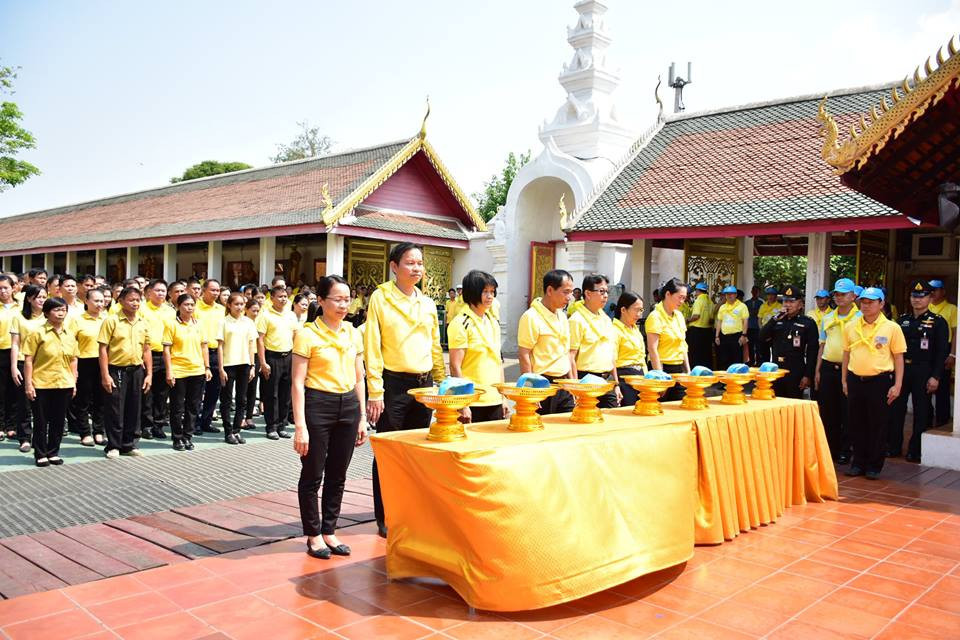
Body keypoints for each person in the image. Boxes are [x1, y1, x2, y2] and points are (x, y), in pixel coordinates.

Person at [365, 242, 445, 538]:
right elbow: (372, 345)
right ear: (394, 267)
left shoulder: (426, 303)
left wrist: (441, 382)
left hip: (423, 385)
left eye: (420, 263)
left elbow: (435, 345)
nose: (416, 268)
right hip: (393, 384)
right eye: (410, 263)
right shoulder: (380, 298)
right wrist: (375, 390)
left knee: (415, 451)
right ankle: (384, 515)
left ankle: (409, 512)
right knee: (388, 452)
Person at [292, 275, 367, 559]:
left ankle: (329, 531)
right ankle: (313, 535)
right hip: (317, 405)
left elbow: (359, 377)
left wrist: (361, 416)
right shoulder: (307, 333)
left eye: (347, 299)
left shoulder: (352, 331)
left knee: (338, 474)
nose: (343, 305)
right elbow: (297, 383)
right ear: (320, 301)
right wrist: (301, 427)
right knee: (313, 473)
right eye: (337, 299)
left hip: (348, 405)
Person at [842, 287, 905, 479]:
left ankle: (874, 465)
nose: (866, 305)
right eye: (863, 302)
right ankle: (858, 462)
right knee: (856, 422)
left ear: (881, 304)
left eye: (871, 302)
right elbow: (846, 354)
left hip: (879, 381)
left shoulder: (892, 328)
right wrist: (844, 380)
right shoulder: (851, 326)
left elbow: (899, 357)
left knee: (877, 424)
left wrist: (898, 384)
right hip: (855, 379)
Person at [888, 280, 948, 462]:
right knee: (896, 409)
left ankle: (916, 449)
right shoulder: (902, 320)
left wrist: (935, 376)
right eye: (914, 296)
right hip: (902, 370)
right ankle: (894, 447)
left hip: (923, 370)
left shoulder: (938, 322)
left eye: (922, 297)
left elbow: (941, 352)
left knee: (921, 411)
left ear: (930, 298)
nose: (917, 300)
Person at [22, 297, 78, 467]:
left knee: (59, 420)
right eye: (56, 309)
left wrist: (73, 381)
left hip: (64, 383)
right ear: (46, 313)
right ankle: (40, 453)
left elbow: (74, 359)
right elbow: (29, 360)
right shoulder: (37, 333)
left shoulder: (70, 334)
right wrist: (28, 384)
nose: (60, 313)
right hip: (42, 383)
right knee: (41, 420)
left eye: (63, 309)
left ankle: (53, 452)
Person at [448, 270, 508, 423]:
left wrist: (503, 397)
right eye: (485, 292)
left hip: (494, 398)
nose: (490, 297)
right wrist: (463, 403)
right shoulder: (460, 323)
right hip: (473, 401)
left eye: (492, 292)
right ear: (473, 293)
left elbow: (498, 362)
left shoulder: (493, 321)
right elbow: (455, 367)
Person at [98, 286, 151, 458]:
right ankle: (113, 445)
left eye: (138, 300)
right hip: (116, 369)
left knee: (134, 407)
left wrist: (149, 374)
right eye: (131, 300)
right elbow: (103, 349)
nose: (135, 303)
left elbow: (146, 349)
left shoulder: (143, 322)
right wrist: (105, 374)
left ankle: (129, 444)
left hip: (136, 370)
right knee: (115, 408)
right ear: (120, 301)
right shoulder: (111, 321)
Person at [517, 269, 576, 415]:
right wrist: (530, 390)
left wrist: (573, 384)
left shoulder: (562, 316)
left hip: (563, 384)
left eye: (571, 292)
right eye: (566, 292)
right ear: (550, 290)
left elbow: (566, 353)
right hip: (542, 383)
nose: (569, 297)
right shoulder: (531, 317)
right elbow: (524, 354)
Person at [815, 278, 860, 463]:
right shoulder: (827, 318)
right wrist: (817, 370)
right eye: (837, 294)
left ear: (853, 296)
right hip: (827, 368)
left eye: (844, 294)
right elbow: (822, 345)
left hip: (849, 369)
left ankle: (845, 449)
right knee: (828, 410)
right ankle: (830, 449)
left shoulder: (860, 318)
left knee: (847, 411)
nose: (839, 298)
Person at [164, 293, 210, 451]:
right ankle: (177, 438)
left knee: (193, 405)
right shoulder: (171, 324)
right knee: (177, 407)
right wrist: (169, 371)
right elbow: (167, 349)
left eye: (192, 305)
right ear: (178, 306)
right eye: (186, 305)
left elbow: (204, 347)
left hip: (197, 370)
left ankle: (187, 436)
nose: (190, 308)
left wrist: (207, 367)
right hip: (179, 370)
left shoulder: (199, 324)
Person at [568, 273, 621, 408]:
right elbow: (571, 356)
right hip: (586, 380)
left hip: (606, 381)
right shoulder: (576, 320)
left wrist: (616, 384)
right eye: (601, 291)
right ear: (588, 293)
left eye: (607, 292)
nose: (605, 296)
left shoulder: (607, 319)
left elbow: (611, 355)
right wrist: (576, 389)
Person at [758, 285, 818, 399]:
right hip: (776, 370)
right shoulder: (777, 320)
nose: (787, 304)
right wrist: (774, 319)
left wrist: (808, 375)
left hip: (795, 371)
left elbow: (812, 352)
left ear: (800, 304)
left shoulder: (807, 323)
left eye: (792, 301)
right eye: (785, 301)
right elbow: (761, 337)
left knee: (793, 406)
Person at [257, 285, 299, 440]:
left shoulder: (291, 315)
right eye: (280, 296)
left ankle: (282, 425)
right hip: (272, 357)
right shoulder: (265, 315)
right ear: (272, 298)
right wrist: (262, 362)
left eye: (285, 296)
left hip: (288, 356)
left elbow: (295, 335)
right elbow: (260, 340)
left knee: (285, 394)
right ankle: (271, 427)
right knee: (271, 394)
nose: (283, 299)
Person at [10, 285, 47, 453]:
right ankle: (24, 437)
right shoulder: (19, 318)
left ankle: (42, 436)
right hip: (23, 363)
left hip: (45, 364)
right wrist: (13, 366)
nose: (42, 300)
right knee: (24, 402)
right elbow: (15, 344)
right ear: (30, 299)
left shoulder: (50, 317)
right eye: (38, 297)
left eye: (44, 297)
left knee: (42, 403)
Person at [218, 292, 257, 444]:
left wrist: (253, 365)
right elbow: (220, 346)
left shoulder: (248, 322)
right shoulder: (224, 322)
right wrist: (220, 368)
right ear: (229, 305)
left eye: (242, 304)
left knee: (242, 399)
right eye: (236, 304)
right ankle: (228, 432)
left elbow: (251, 345)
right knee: (227, 399)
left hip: (244, 364)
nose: (240, 307)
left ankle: (236, 430)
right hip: (228, 364)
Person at [69, 287, 106, 446]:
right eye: (96, 301)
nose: (99, 304)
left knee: (102, 398)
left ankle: (99, 431)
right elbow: (71, 343)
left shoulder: (107, 318)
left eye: (102, 301)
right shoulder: (77, 320)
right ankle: (85, 432)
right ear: (86, 301)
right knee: (83, 400)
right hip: (84, 362)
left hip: (104, 362)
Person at [645, 278, 690, 401]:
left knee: (679, 407)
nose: (682, 301)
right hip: (662, 367)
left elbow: (683, 346)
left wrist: (688, 372)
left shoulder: (679, 316)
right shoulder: (655, 317)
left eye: (684, 298)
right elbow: (652, 349)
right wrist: (660, 377)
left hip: (678, 368)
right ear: (668, 294)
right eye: (680, 297)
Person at [140, 279, 173, 440]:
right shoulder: (141, 309)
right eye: (157, 290)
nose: (161, 293)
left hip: (166, 355)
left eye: (163, 291)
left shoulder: (170, 311)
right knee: (147, 392)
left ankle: (158, 425)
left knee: (162, 392)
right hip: (147, 355)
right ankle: (146, 425)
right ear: (149, 292)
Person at [195, 279, 225, 436]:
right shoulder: (195, 308)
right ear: (203, 290)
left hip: (217, 352)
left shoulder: (221, 309)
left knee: (214, 390)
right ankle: (195, 422)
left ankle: (206, 421)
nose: (215, 293)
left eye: (217, 290)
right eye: (212, 290)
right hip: (199, 352)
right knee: (198, 391)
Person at [928, 279, 957, 428]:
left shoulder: (952, 309)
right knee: (925, 385)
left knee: (942, 385)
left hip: (945, 349)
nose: (932, 292)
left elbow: (955, 332)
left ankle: (942, 418)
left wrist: (952, 354)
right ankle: (927, 417)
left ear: (943, 291)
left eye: (936, 289)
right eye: (930, 290)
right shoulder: (926, 306)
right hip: (927, 349)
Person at [612, 291, 647, 407]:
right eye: (636, 309)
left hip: (640, 377)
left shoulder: (636, 330)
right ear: (623, 310)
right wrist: (616, 385)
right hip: (624, 377)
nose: (639, 314)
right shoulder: (614, 330)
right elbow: (612, 360)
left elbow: (642, 357)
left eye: (641, 310)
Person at [0, 275, 20, 442]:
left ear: (14, 288)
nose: (3, 291)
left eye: (5, 287)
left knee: (14, 390)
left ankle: (11, 425)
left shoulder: (21, 307)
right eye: (0, 288)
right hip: (0, 351)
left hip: (17, 352)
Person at [714, 285, 749, 370]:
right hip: (724, 336)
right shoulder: (722, 307)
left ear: (736, 295)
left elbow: (745, 321)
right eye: (727, 294)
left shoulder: (742, 306)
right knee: (724, 359)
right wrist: (717, 336)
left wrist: (744, 335)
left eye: (731, 294)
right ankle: (724, 381)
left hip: (737, 336)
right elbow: (719, 321)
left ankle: (736, 380)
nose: (729, 296)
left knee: (736, 359)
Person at [243, 299, 262, 429]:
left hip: (255, 356)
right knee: (242, 388)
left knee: (252, 387)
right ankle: (240, 417)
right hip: (242, 355)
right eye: (253, 310)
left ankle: (249, 416)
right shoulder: (243, 322)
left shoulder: (260, 322)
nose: (255, 313)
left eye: (257, 311)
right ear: (246, 310)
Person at [687, 282, 714, 368]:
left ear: (698, 291)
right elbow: (711, 319)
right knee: (706, 353)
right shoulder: (710, 302)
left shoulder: (698, 300)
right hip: (708, 331)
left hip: (697, 331)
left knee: (695, 354)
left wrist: (687, 320)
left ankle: (695, 370)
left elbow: (696, 316)